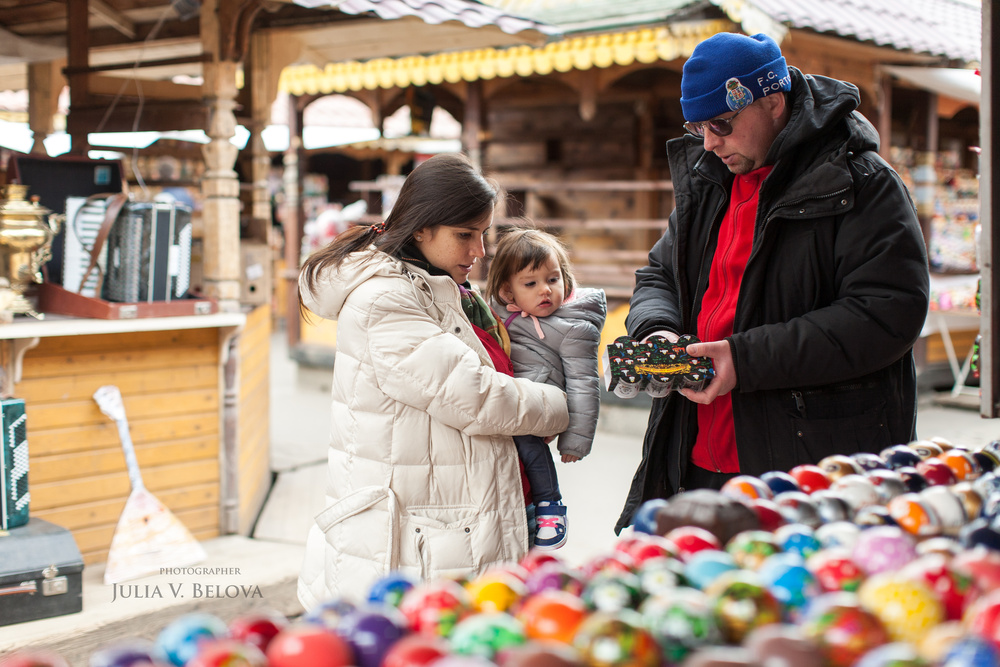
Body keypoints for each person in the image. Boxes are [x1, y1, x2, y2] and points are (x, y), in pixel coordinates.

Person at [616, 32, 930, 533]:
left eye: (722, 123)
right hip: (696, 455)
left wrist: (744, 360)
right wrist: (658, 329)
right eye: (697, 126)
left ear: (773, 101)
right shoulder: (708, 180)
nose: (709, 142)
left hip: (808, 465)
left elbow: (887, 314)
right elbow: (659, 274)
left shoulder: (862, 181)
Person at [296, 153, 570, 606]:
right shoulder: (384, 299)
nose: (479, 252)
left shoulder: (435, 284)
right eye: (465, 235)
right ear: (422, 227)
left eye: (482, 234)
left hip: (438, 527)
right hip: (413, 548)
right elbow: (476, 397)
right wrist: (563, 405)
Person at [485, 228, 607, 550]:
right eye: (531, 283)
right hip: (505, 398)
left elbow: (584, 382)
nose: (545, 291)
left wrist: (576, 439)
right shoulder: (497, 311)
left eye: (553, 280)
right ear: (508, 293)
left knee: (529, 447)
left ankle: (550, 506)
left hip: (538, 404)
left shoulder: (574, 327)